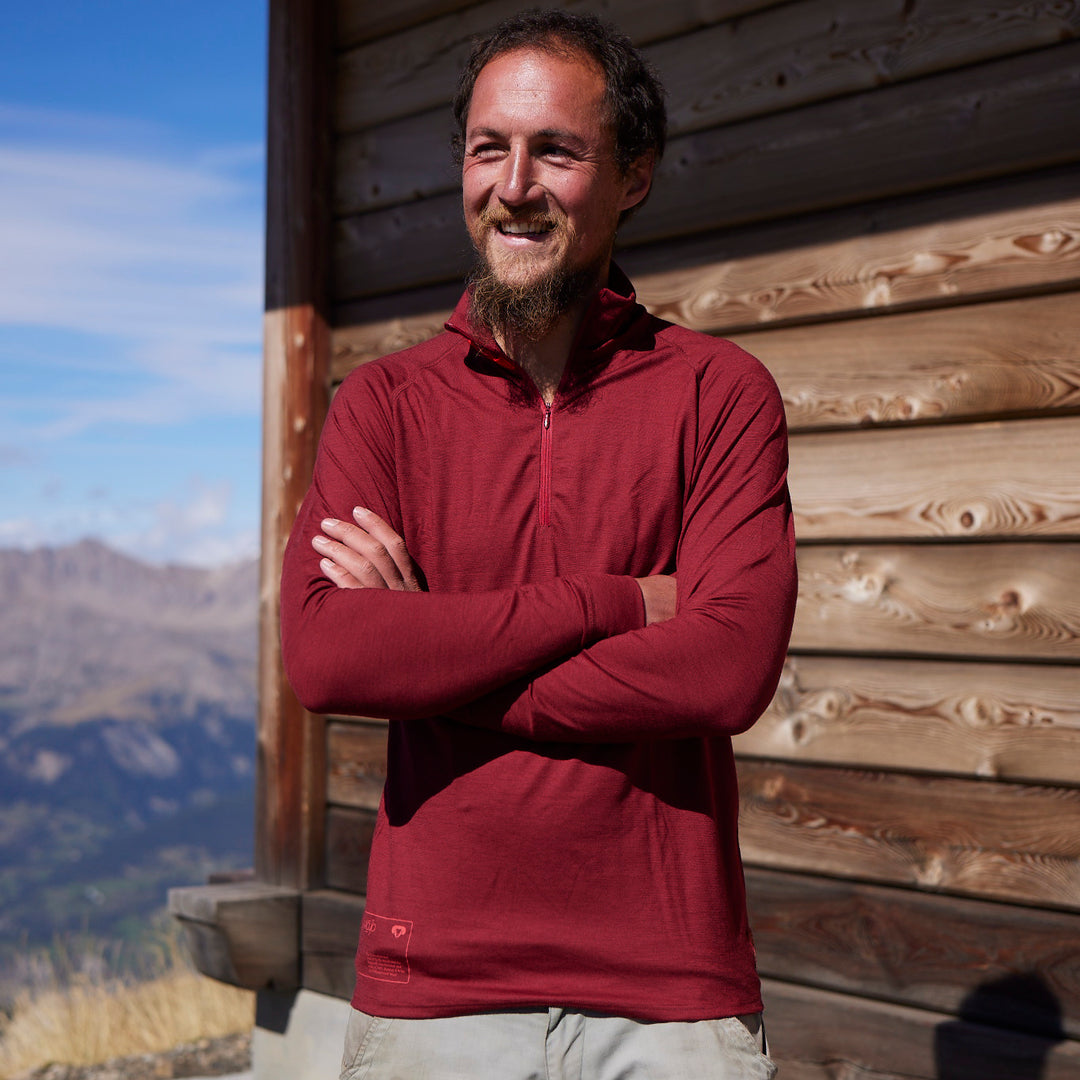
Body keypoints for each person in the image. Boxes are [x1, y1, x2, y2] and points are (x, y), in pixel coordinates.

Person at [280, 10, 796, 1079]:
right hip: (434, 994)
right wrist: (610, 603)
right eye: (488, 148)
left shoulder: (720, 393)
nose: (514, 185)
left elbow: (726, 668)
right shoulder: (381, 406)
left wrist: (432, 660)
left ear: (633, 177)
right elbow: (329, 658)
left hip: (672, 998)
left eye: (556, 150)